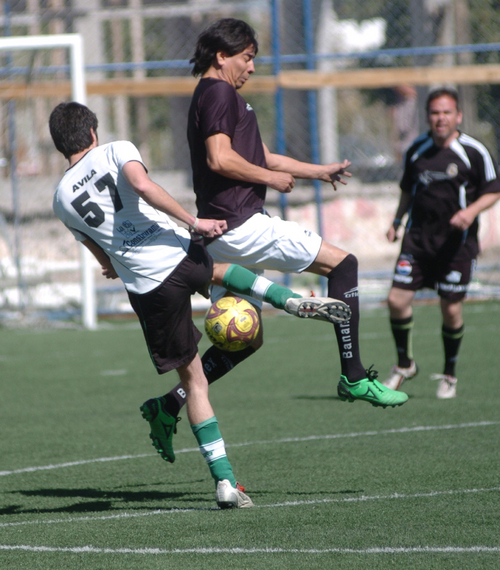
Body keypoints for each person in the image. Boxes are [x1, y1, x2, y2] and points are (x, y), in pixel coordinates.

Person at [48, 101, 352, 509]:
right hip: (177, 254)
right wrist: (194, 222)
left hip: (148, 290)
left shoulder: (60, 199)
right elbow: (142, 186)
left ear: (59, 145)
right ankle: (288, 299)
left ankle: (224, 481)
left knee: (195, 384)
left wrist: (112, 264)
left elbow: (98, 253)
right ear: (92, 133)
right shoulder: (117, 150)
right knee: (220, 271)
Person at [156, 17, 408, 443]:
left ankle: (168, 404)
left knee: (245, 340)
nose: (252, 67)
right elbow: (220, 158)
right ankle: (353, 376)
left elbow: (262, 156)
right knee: (344, 265)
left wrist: (318, 171)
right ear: (222, 56)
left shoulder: (216, 96)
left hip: (221, 235)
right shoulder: (218, 93)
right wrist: (269, 180)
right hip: (242, 225)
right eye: (247, 57)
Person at [383, 87, 500, 398]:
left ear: (458, 116)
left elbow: (493, 189)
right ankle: (405, 365)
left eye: (447, 112)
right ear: (427, 117)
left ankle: (449, 374)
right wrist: (396, 222)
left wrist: (471, 212)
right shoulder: (417, 150)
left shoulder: (474, 151)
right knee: (396, 300)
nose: (441, 118)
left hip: (456, 244)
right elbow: (407, 190)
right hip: (418, 240)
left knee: (450, 309)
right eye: (435, 113)